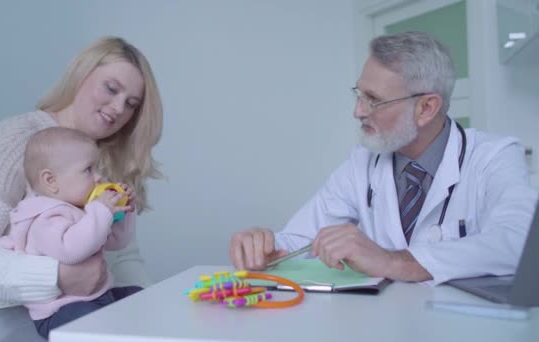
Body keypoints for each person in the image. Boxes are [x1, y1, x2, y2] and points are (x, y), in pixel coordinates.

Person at [230, 31, 538, 285]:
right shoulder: (362, 162)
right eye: (359, 94)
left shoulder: (493, 156)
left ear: (426, 108)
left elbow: (519, 242)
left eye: (373, 100)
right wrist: (270, 248)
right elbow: (302, 236)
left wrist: (394, 262)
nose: (358, 111)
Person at [0, 36, 163, 342]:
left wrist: (157, 312)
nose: (118, 107)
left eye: (131, 104)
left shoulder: (104, 163)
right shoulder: (18, 139)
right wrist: (56, 278)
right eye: (111, 89)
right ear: (81, 74)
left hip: (87, 307)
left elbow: (124, 260)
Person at [0, 126, 142, 339]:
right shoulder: (44, 219)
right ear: (51, 181)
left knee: (139, 296)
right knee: (95, 327)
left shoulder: (82, 211)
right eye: (88, 170)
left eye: (97, 168)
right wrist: (101, 211)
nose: (99, 177)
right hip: (60, 312)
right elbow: (71, 250)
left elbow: (116, 242)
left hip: (97, 297)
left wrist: (123, 211)